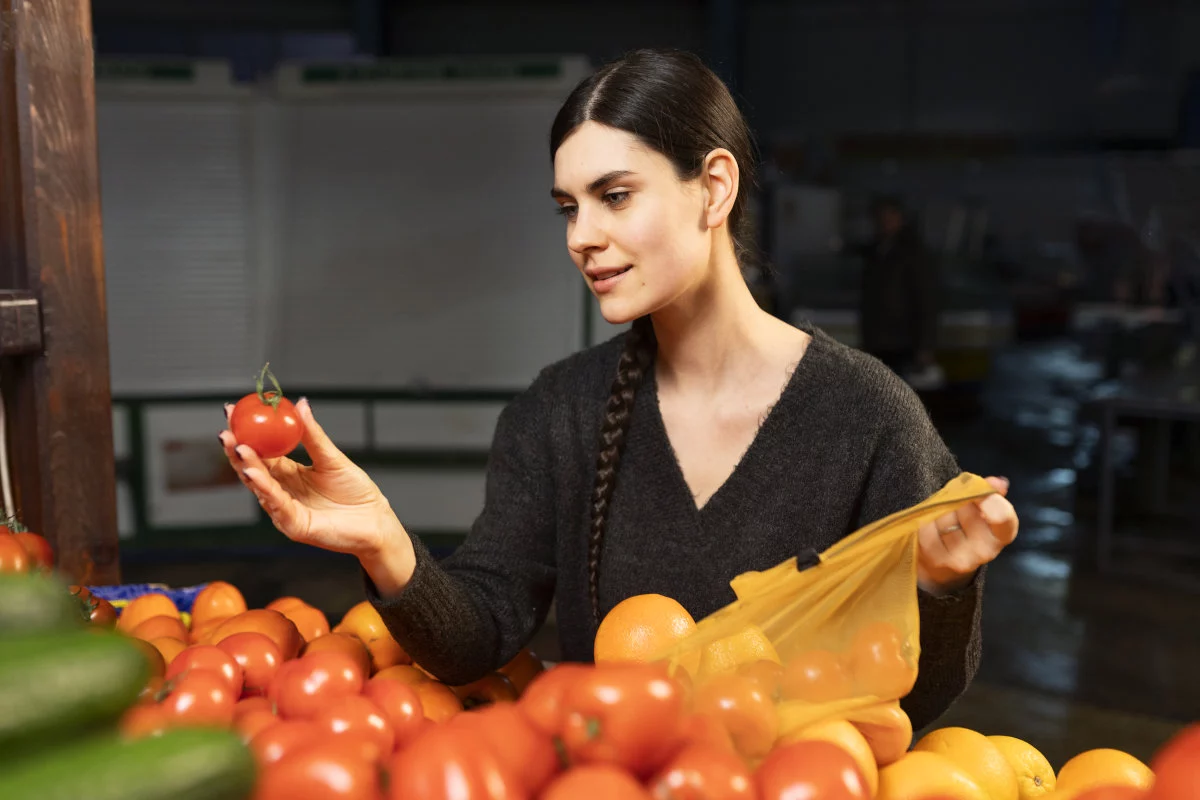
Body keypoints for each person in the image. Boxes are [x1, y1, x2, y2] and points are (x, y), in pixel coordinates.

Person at [218, 48, 1018, 731]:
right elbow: (480, 636)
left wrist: (934, 587)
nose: (581, 237)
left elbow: (914, 702)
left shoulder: (866, 416)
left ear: (713, 188)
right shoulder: (558, 413)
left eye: (615, 195)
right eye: (568, 207)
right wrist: (380, 540)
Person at [858, 194, 940, 378]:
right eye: (880, 217)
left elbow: (926, 300)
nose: (884, 221)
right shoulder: (875, 251)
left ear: (900, 218)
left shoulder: (913, 252)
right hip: (878, 339)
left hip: (903, 340)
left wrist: (925, 346)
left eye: (889, 216)